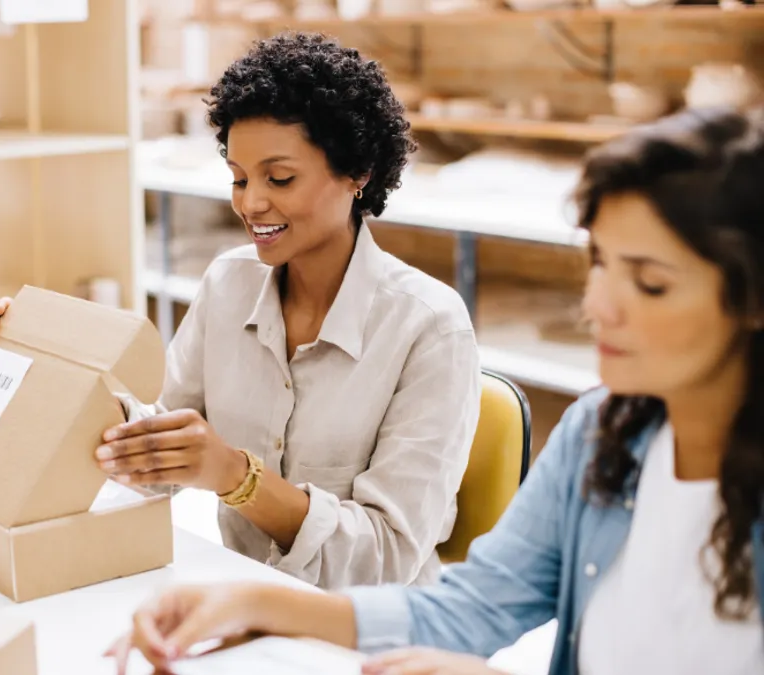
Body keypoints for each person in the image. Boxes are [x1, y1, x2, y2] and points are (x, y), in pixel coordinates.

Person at [109, 105, 764, 675]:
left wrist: (241, 487)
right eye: (597, 264)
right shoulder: (600, 434)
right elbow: (473, 607)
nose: (598, 305)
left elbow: (397, 559)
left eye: (649, 282)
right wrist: (251, 602)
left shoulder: (429, 322)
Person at [0, 32, 481, 590]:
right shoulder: (228, 284)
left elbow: (385, 560)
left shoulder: (431, 328)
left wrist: (237, 478)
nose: (250, 203)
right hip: (245, 599)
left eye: (279, 178)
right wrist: (43, 366)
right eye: (239, 178)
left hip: (367, 631)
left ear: (357, 173)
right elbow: (159, 455)